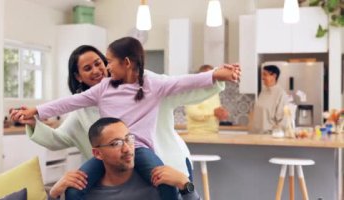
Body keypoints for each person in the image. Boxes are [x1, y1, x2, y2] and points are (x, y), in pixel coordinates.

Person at [14, 37, 240, 199]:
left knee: (167, 183)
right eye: (87, 68)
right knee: (74, 188)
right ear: (78, 76)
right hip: (112, 171)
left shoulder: (153, 84)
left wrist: (215, 75)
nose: (99, 69)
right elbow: (66, 106)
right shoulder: (98, 93)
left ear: (126, 63)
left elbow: (184, 83)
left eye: (103, 62)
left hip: (151, 154)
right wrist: (36, 113)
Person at [49, 117, 200, 200]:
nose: (127, 149)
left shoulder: (157, 182)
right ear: (97, 154)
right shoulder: (87, 191)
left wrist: (186, 185)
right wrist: (53, 194)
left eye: (128, 139)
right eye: (116, 143)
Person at [185, 64, 229, 134]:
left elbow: (215, 112)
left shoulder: (214, 92)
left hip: (213, 132)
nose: (211, 78)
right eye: (208, 76)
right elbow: (192, 112)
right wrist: (213, 113)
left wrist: (221, 114)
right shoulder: (193, 92)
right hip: (196, 134)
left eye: (213, 75)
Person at [249, 65, 288, 134]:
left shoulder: (281, 94)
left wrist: (274, 135)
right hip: (255, 135)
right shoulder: (263, 91)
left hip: (268, 136)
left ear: (274, 76)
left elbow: (283, 121)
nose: (262, 78)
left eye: (265, 74)